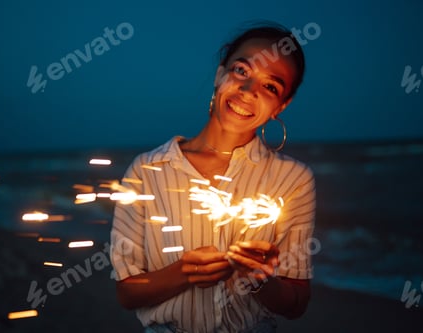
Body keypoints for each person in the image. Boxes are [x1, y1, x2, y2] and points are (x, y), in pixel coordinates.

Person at [110, 21, 316, 333]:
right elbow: (127, 292)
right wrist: (184, 272)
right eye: (242, 71)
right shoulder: (147, 170)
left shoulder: (294, 180)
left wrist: (258, 279)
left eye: (270, 87)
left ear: (281, 106)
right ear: (220, 74)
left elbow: (297, 304)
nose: (248, 92)